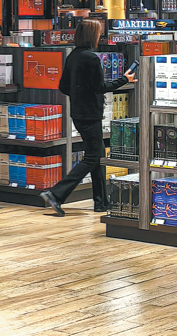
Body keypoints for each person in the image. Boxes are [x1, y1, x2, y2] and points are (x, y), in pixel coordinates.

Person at [39, 19, 136, 216]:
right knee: (93, 157)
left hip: (78, 113)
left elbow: (63, 87)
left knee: (97, 155)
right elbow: (100, 88)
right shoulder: (92, 59)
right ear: (92, 35)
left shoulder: (73, 56)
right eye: (98, 33)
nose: (100, 36)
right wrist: (125, 79)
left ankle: (101, 202)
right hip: (91, 114)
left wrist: (79, 94)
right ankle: (56, 193)